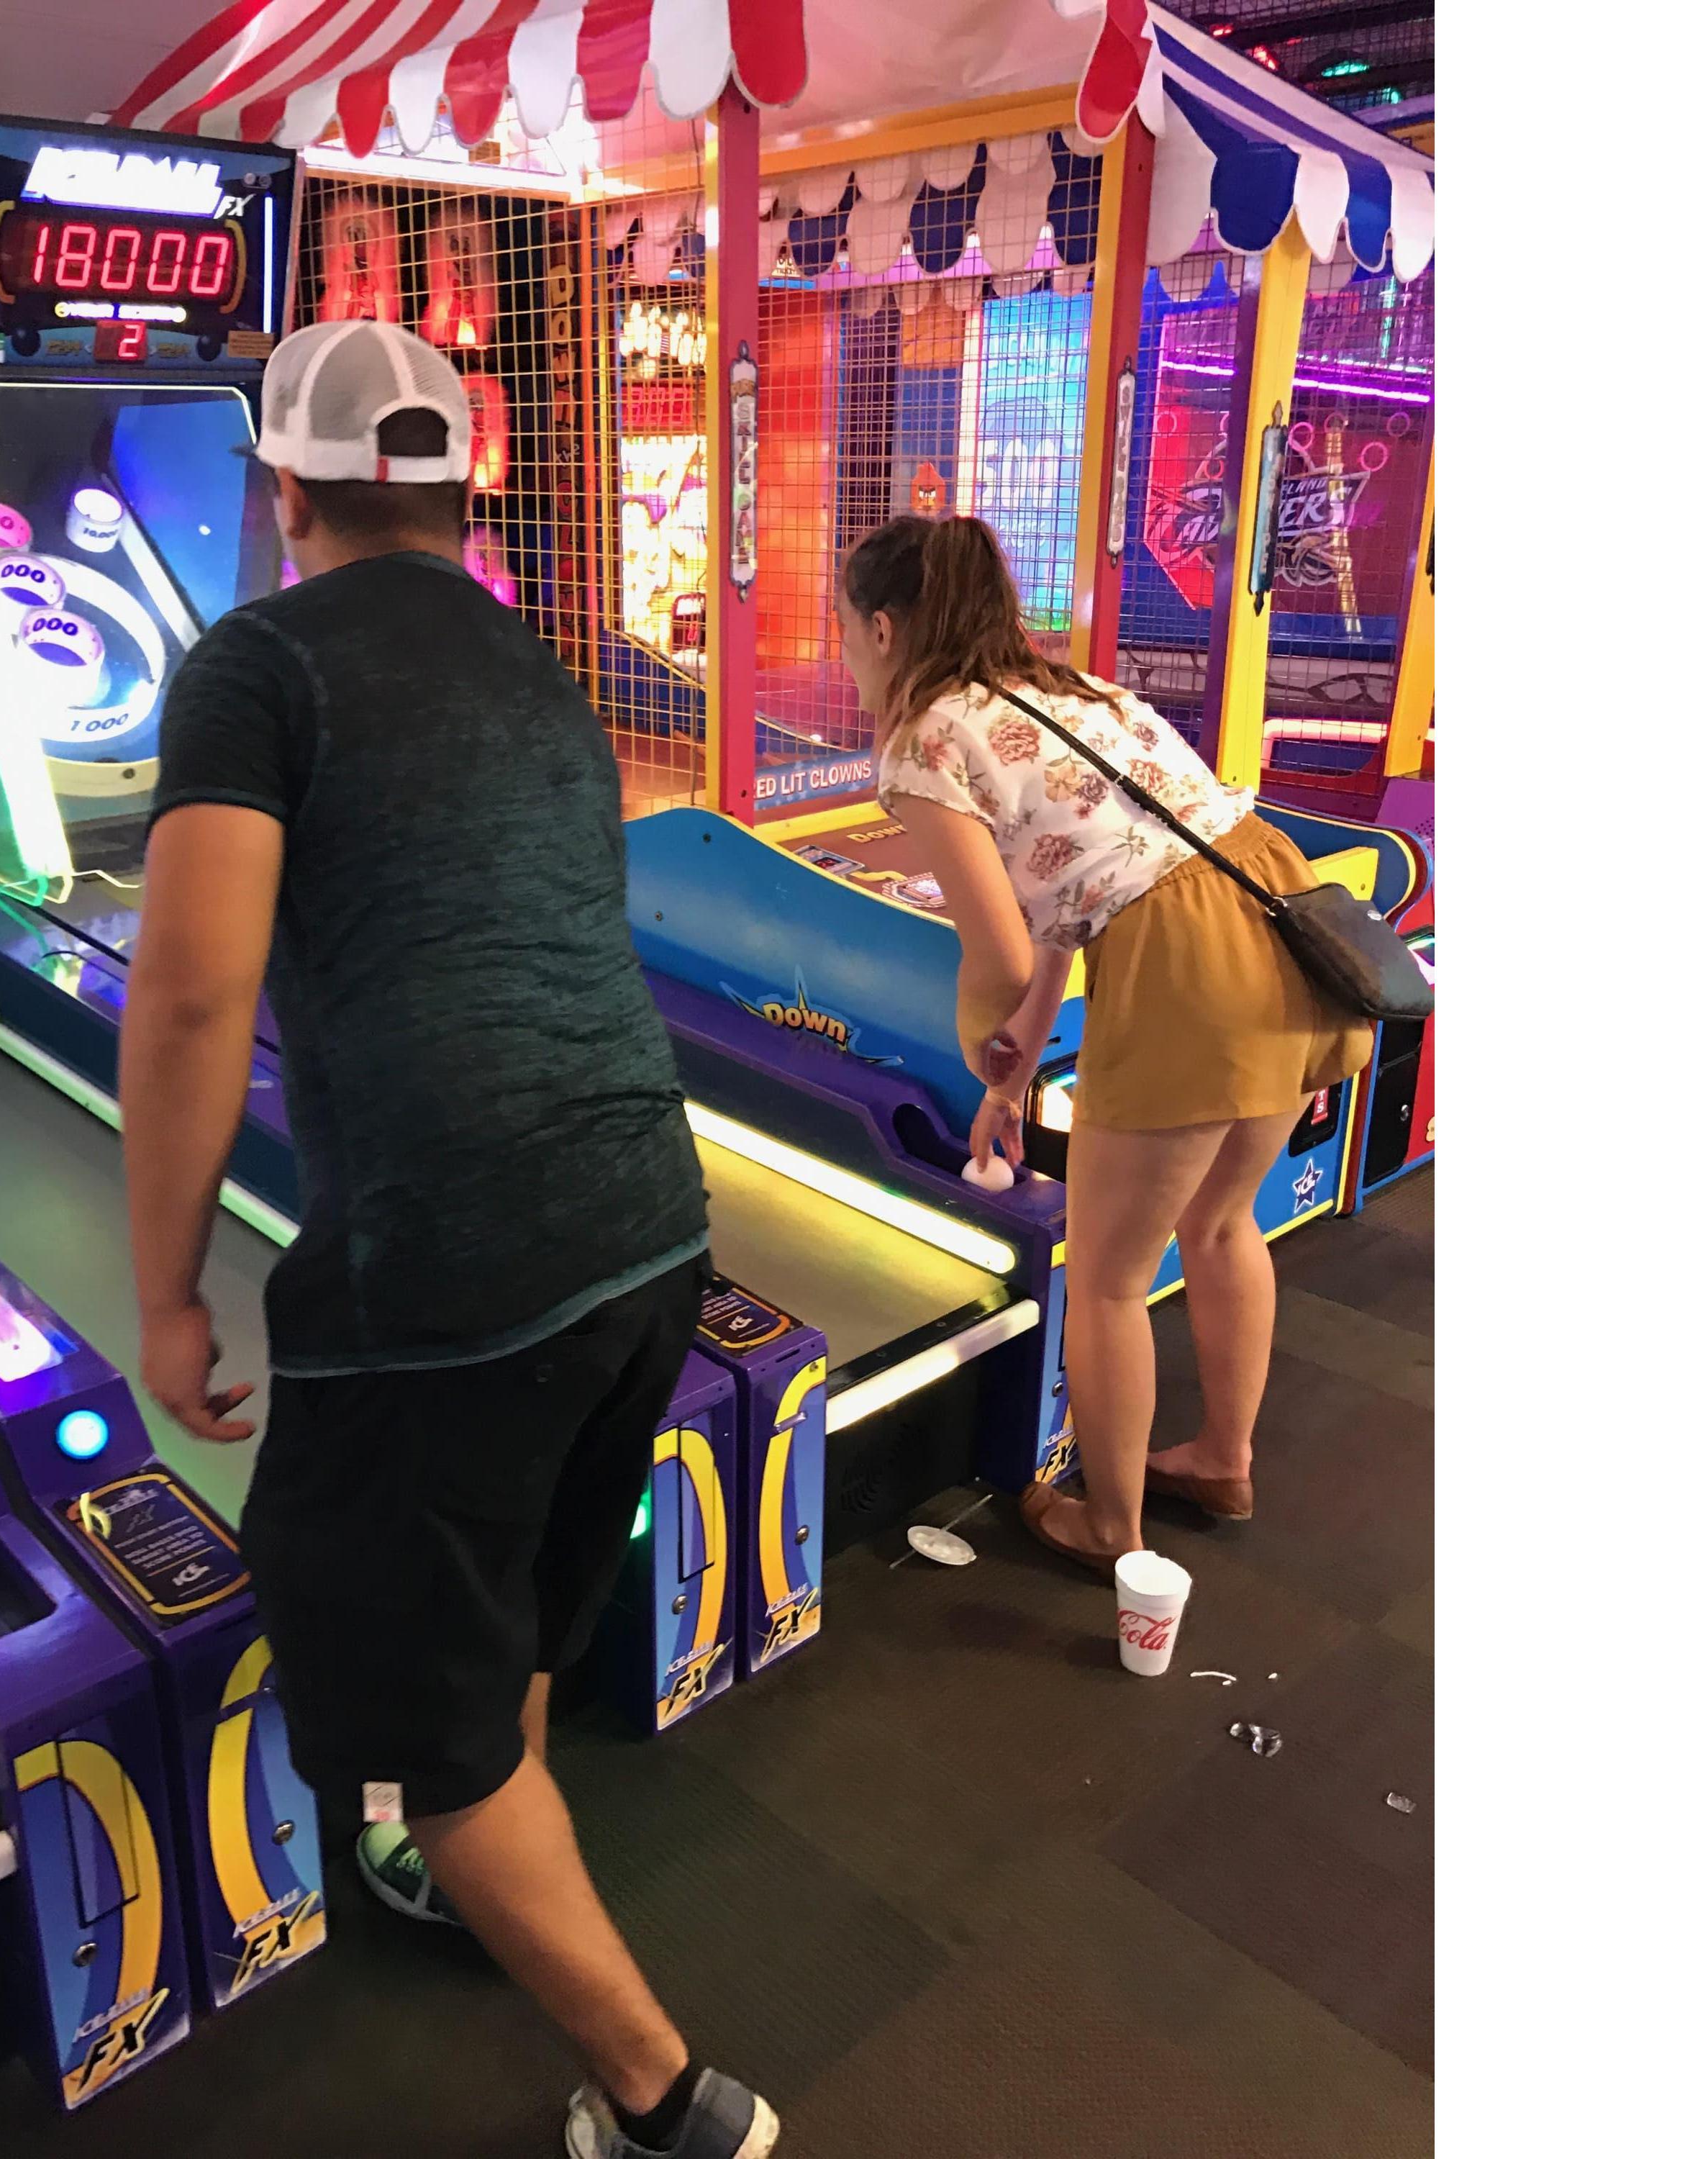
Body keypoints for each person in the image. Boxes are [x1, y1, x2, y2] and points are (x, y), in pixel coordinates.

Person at [117, 319, 780, 2159]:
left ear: (285, 491)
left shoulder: (255, 663)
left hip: (450, 1275)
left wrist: (168, 1292)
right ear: (464, 488)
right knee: (514, 1614)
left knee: (416, 1696)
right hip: (646, 1227)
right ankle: (481, 1846)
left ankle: (668, 2105)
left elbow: (189, 993)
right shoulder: (539, 664)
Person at [835, 515, 1372, 1573]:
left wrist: (980, 1050)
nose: (848, 650)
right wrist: (1014, 1075)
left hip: (1187, 965)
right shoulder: (1075, 691)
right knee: (1221, 1223)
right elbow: (1064, 917)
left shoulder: (925, 741)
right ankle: (1222, 1460)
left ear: (885, 629)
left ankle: (1111, 1526)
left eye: (846, 627)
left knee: (1111, 1279)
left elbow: (997, 951)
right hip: (1278, 912)